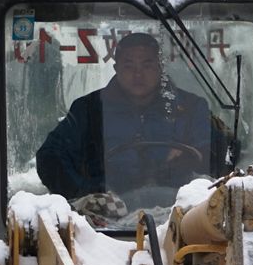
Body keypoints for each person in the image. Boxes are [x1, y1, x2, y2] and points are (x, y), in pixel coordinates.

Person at [35, 32, 229, 206]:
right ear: (116, 67)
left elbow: (220, 155)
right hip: (107, 223)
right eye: (129, 65)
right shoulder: (88, 109)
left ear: (161, 68)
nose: (138, 74)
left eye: (147, 65)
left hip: (179, 215)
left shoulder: (191, 107)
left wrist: (186, 161)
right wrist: (87, 192)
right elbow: (50, 158)